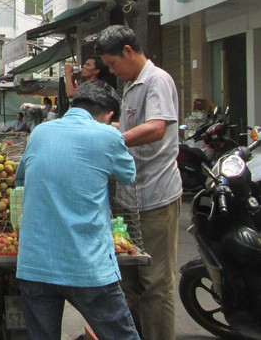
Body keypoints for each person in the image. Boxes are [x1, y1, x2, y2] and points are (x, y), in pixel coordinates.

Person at [15, 80, 139, 340]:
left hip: (35, 263)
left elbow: (21, 178)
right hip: (88, 265)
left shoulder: (40, 132)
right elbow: (129, 175)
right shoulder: (108, 136)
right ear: (108, 115)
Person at [94, 25, 182, 340]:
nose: (113, 71)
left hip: (156, 197)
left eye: (113, 64)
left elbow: (157, 128)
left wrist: (114, 137)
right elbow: (130, 126)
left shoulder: (156, 80)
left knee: (156, 283)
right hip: (131, 199)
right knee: (130, 281)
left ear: (128, 51)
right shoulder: (132, 86)